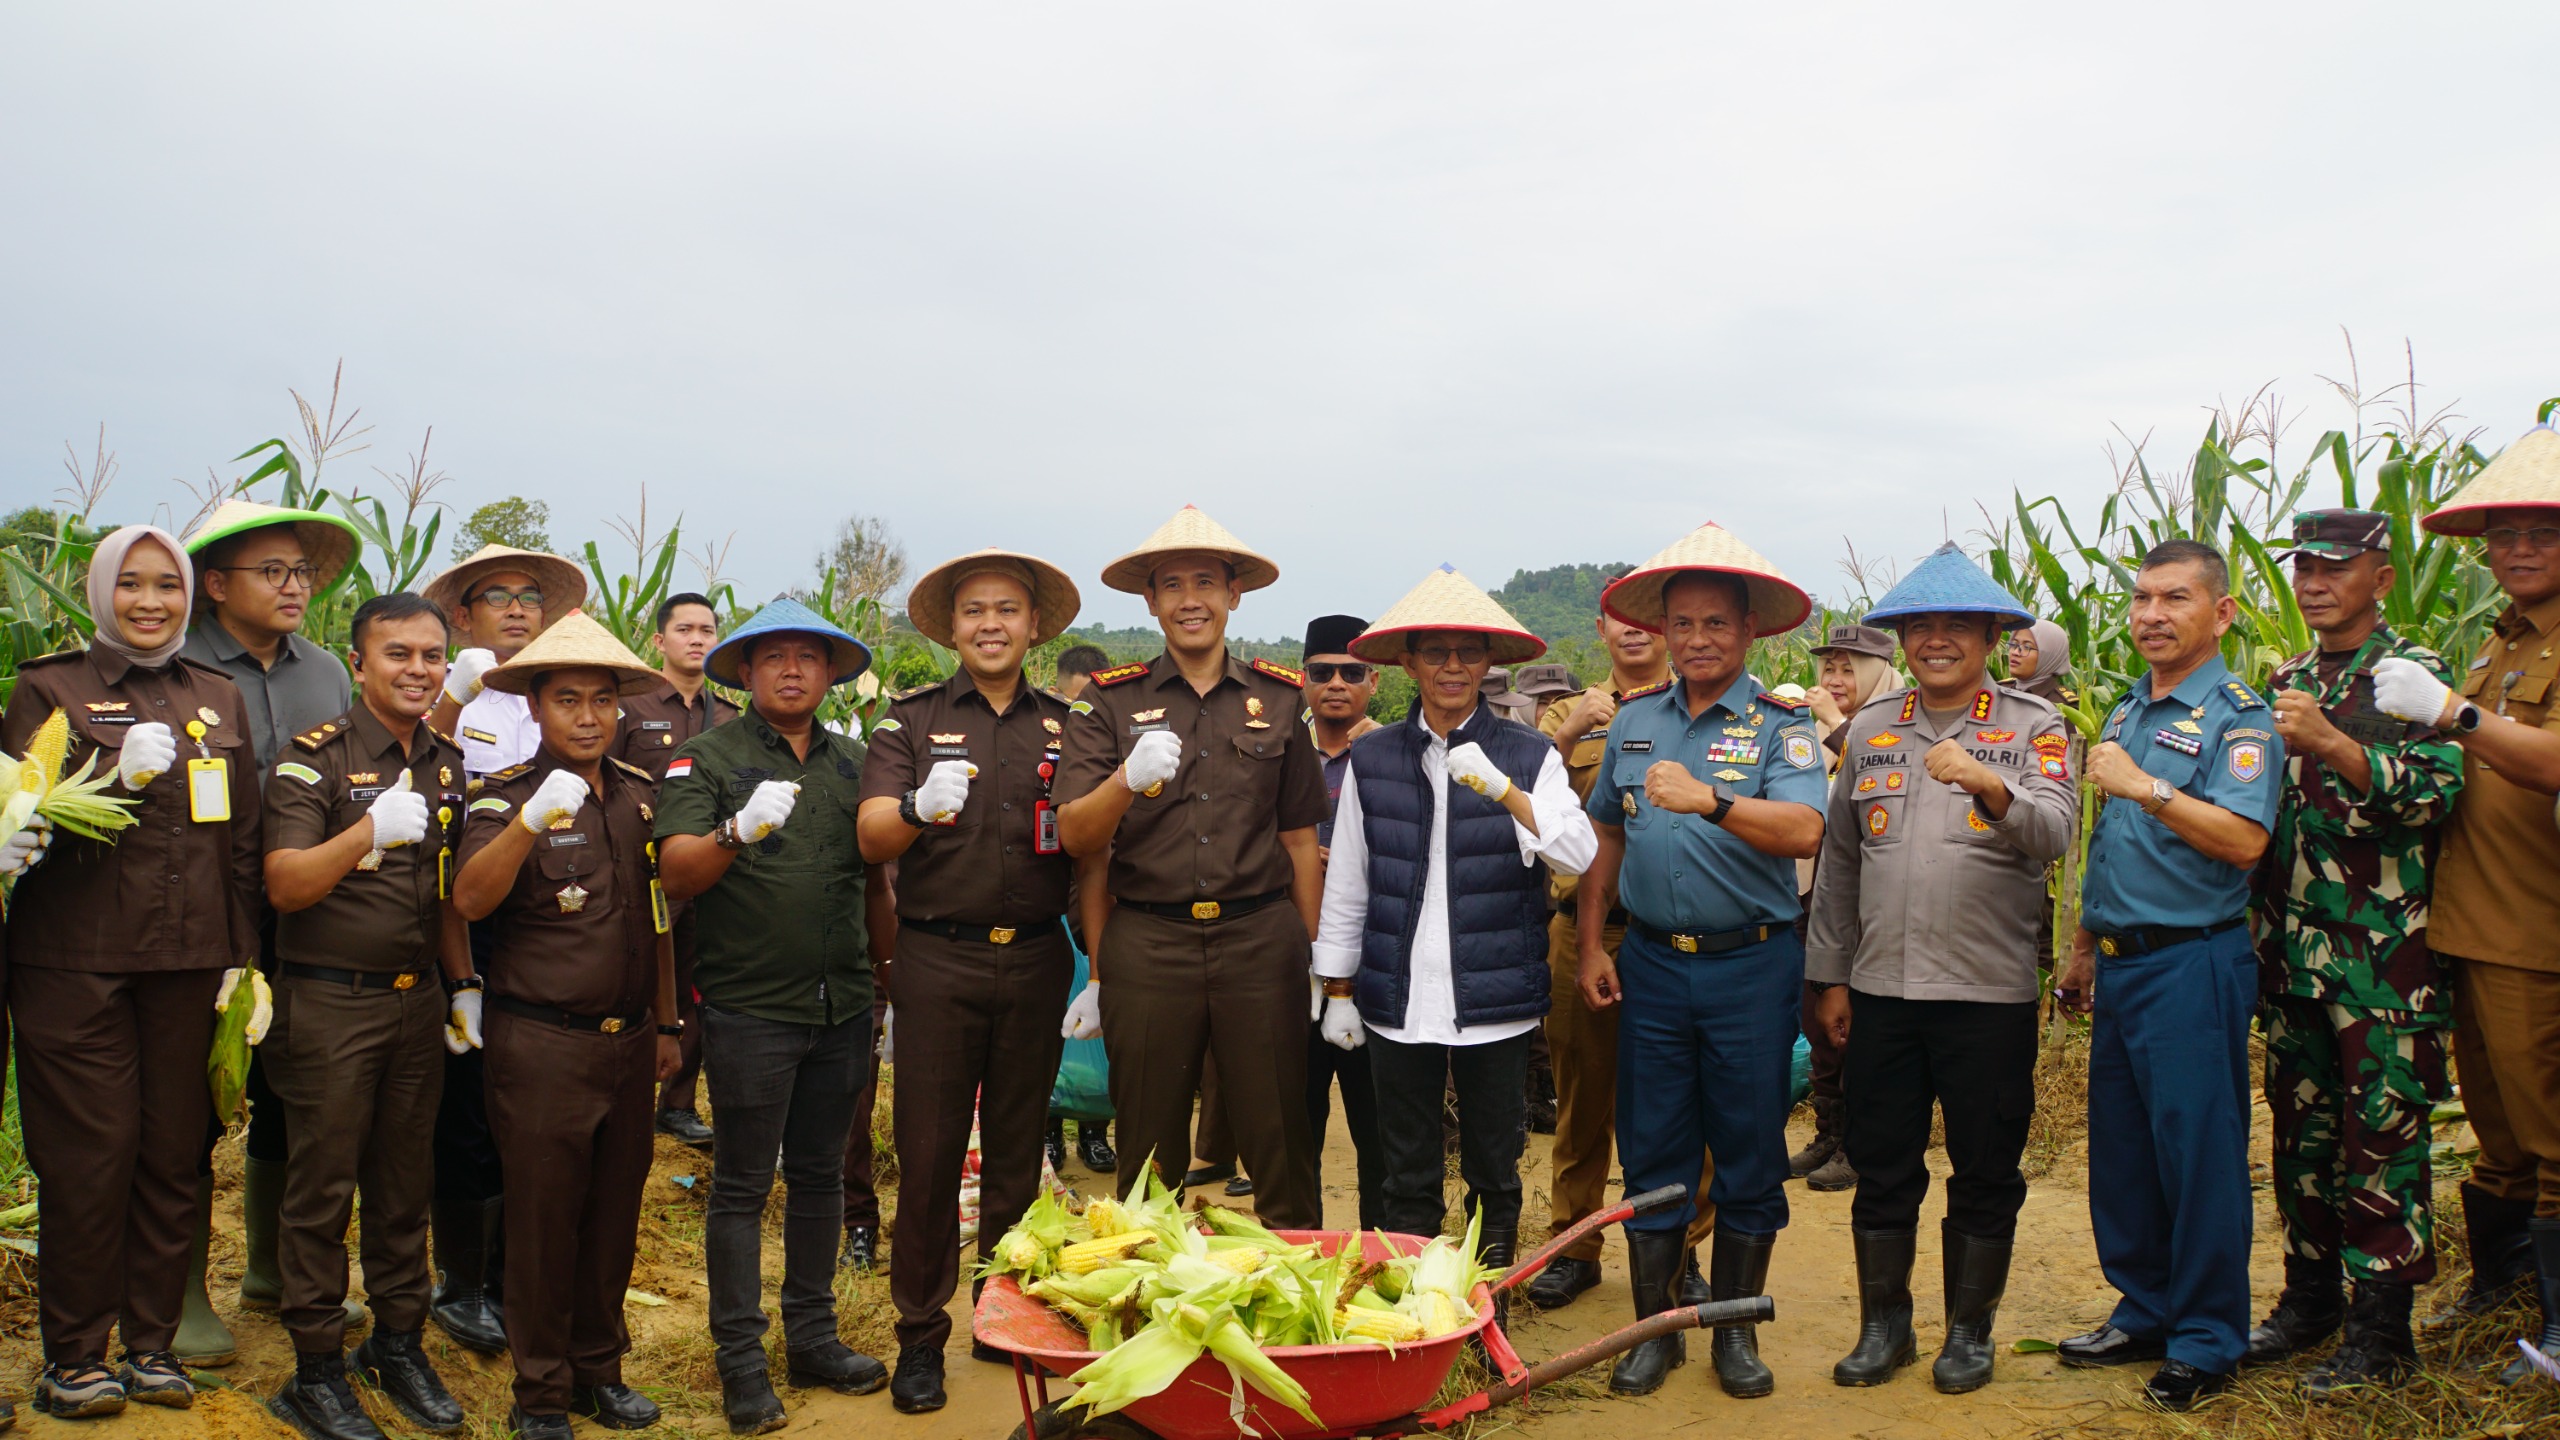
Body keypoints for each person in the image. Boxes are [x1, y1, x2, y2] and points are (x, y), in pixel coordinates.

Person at [1, 525, 263, 1417]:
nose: (150, 602)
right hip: (74, 965)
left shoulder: (217, 695)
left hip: (190, 963)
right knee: (89, 1158)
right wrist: (115, 772)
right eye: (131, 584)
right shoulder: (50, 687)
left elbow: (242, 840)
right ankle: (74, 1355)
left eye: (167, 585)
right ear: (101, 589)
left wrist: (242, 960)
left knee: (171, 1154)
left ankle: (151, 1344)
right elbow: (21, 822)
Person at [1804, 546, 2075, 1395]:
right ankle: (1884, 1327)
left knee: (1985, 1168)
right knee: (1882, 1164)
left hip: (1986, 997)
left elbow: (2054, 833)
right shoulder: (1872, 731)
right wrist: (1831, 977)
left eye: (1958, 625)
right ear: (1903, 641)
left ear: (1992, 639)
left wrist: (1990, 786)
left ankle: (1968, 1332)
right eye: (1920, 626)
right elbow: (1840, 863)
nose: (1937, 640)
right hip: (1883, 994)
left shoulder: (2035, 727)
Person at [1577, 523, 1825, 1399]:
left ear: (1749, 630)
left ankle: (1734, 1331)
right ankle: (1656, 1333)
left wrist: (1710, 800)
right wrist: (1591, 943)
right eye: (1682, 624)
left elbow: (1804, 830)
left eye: (1716, 622)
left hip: (1748, 968)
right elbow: (1606, 836)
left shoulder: (1781, 728)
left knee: (1749, 1145)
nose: (1698, 639)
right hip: (1650, 963)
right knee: (1653, 1147)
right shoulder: (1635, 722)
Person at [1311, 569, 1596, 1316]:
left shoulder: (1529, 754)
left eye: (1468, 652)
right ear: (1408, 662)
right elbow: (1350, 881)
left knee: (1493, 1168)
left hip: (1494, 997)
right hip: (1397, 996)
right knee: (1406, 1167)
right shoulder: (1374, 759)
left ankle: (1484, 1306)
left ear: (1488, 662)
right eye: (1435, 652)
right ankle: (1416, 1310)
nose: (1452, 667)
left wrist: (1505, 792)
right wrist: (1336, 986)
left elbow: (1577, 852)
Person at [2052, 539, 2284, 1412]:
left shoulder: (2239, 720)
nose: (2151, 614)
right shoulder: (2126, 709)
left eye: (2175, 598)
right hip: (2121, 963)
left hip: (2192, 962)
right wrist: (2083, 946)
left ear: (2221, 614)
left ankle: (2206, 1339)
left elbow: (2245, 841)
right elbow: (2112, 845)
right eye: (2142, 597)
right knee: (2124, 1153)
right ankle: (2144, 1309)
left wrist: (2146, 786)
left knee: (2198, 1156)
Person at [855, 549, 1085, 1413]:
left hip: (1036, 956)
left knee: (1020, 1154)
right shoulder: (908, 722)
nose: (992, 624)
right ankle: (920, 1335)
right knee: (929, 1154)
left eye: (1008, 610)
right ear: (951, 629)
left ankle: (1002, 1315)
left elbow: (1089, 837)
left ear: (1035, 626)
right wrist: (916, 807)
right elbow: (871, 836)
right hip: (938, 957)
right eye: (975, 611)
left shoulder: (1068, 725)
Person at [2240, 510, 2464, 1395]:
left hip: (2383, 958)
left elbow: (2436, 794)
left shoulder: (2413, 675)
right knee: (2302, 1137)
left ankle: (2384, 1334)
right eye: (2304, 567)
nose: (2314, 583)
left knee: (2383, 1141)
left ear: (2382, 576)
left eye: (2336, 567)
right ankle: (2310, 1302)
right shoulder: (2289, 676)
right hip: (2294, 951)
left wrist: (2334, 742)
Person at [1055, 505, 1329, 1227]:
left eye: (1205, 582)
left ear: (1234, 593)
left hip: (1259, 937)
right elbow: (1079, 838)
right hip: (1150, 941)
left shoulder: (1279, 697)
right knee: (1148, 1145)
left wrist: (1310, 955)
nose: (1189, 600)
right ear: (1150, 601)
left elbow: (1300, 839)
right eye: (1171, 585)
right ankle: (1149, 1279)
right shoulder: (1109, 703)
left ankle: (1299, 1274)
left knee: (1279, 1133)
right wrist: (1124, 780)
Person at [656, 598, 889, 1433]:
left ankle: (814, 1338)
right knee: (743, 1187)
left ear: (830, 673)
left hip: (843, 1003)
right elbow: (676, 875)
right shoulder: (707, 758)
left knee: (821, 1176)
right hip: (752, 1007)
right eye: (774, 657)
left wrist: (887, 981)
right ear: (747, 671)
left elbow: (877, 881)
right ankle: (742, 1363)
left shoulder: (857, 761)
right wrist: (734, 831)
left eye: (809, 656)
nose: (793, 670)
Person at [449, 614, 680, 1440]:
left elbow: (659, 918)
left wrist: (667, 1023)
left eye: (602, 701)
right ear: (536, 708)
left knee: (613, 1218)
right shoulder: (507, 794)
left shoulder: (640, 796)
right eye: (568, 700)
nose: (588, 717)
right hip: (542, 1042)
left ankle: (598, 1371)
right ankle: (541, 1394)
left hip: (629, 1041)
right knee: (544, 1224)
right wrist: (529, 824)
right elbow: (469, 898)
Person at [2366, 425, 2560, 1382]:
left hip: (2536, 928)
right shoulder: (2502, 639)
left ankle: (2558, 1332)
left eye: (2541, 533)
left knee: (2551, 1129)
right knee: (2496, 1128)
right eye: (2503, 535)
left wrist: (2454, 712)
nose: (2517, 549)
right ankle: (2503, 1292)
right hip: (2468, 926)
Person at [260, 593, 472, 1440]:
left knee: (403, 1185)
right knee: (322, 1191)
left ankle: (396, 1343)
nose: (418, 670)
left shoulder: (447, 763)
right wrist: (366, 834)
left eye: (431, 655)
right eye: (397, 654)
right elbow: (285, 884)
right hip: (329, 1003)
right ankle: (314, 1369)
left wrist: (463, 983)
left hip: (416, 1003)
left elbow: (447, 891)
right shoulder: (314, 759)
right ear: (358, 663)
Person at [174, 499, 364, 1364]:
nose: (295, 587)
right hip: (201, 913)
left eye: (303, 572)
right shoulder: (176, 666)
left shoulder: (323, 672)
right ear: (216, 585)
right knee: (191, 1099)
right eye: (273, 572)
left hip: (308, 912)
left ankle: (272, 1270)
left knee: (293, 1090)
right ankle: (179, 1294)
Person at [418, 542, 589, 1356]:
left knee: (526, 1105)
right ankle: (461, 1283)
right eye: (497, 595)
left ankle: (516, 1273)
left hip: (551, 921)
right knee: (468, 1106)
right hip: (470, 918)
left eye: (529, 596)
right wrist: (453, 697)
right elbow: (416, 775)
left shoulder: (552, 697)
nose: (517, 608)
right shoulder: (447, 691)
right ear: (463, 614)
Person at [1526, 606, 1718, 1316]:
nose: (1632, 630)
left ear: (1666, 628)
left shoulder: (1711, 709)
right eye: (1617, 620)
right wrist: (1571, 729)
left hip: (1677, 932)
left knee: (1685, 1102)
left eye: (1644, 619)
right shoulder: (1567, 715)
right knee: (1582, 1097)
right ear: (1601, 631)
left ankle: (1683, 1251)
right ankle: (1574, 1248)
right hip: (1586, 930)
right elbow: (1520, 794)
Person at [611, 592, 738, 1150]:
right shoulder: (630, 706)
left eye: (706, 630)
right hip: (644, 870)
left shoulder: (730, 716)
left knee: (699, 984)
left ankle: (679, 1104)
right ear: (659, 640)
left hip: (710, 868)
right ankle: (629, 1096)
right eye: (685, 629)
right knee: (639, 979)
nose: (697, 639)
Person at [1792, 622, 1901, 1197]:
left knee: (1857, 1028)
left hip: (1871, 904)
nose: (1835, 679)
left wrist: (1836, 724)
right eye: (1828, 668)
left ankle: (1858, 1144)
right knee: (1818, 1018)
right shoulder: (1812, 732)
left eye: (1848, 669)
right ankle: (1828, 1130)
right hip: (1816, 899)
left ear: (1878, 674)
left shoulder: (1896, 724)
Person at [1301, 614, 1384, 1229]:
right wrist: (1299, 857)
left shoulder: (1394, 752)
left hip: (1374, 961)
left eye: (1351, 672)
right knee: (1295, 1125)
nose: (1336, 683)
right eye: (1323, 671)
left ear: (1373, 681)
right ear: (1302, 679)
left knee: (1379, 1129)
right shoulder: (1273, 750)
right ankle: (1300, 1251)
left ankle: (1382, 1251)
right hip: (1293, 960)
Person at [1042, 645, 1118, 1179]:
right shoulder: (1043, 737)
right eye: (1076, 702)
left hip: (1103, 895)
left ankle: (1095, 1131)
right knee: (1051, 1023)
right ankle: (1049, 1128)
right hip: (1053, 897)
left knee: (1101, 1022)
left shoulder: (1122, 738)